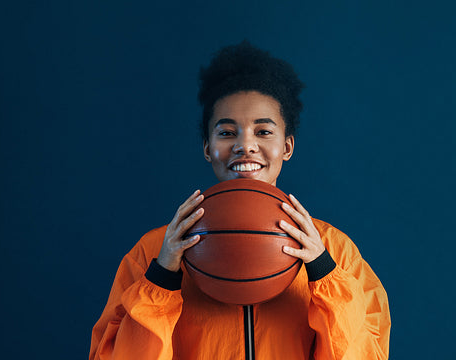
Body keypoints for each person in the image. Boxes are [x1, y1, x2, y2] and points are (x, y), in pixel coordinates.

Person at [89, 40, 391, 360]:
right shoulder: (151, 252)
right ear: (208, 148)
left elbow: (367, 353)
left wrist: (323, 272)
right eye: (227, 132)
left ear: (287, 147)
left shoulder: (336, 250)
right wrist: (162, 277)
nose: (245, 146)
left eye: (263, 132)